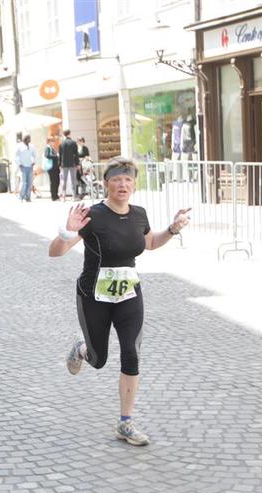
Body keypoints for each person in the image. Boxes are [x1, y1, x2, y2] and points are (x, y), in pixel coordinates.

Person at [48, 157, 191, 447]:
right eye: (116, 179)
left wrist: (173, 229)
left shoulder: (139, 214)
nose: (122, 184)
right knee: (98, 359)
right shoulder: (93, 215)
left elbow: (150, 243)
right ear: (106, 184)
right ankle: (82, 349)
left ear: (134, 185)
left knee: (131, 353)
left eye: (128, 180)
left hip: (128, 295)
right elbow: (56, 252)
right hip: (94, 296)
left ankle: (126, 422)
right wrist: (66, 233)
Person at [59, 129, 79, 202]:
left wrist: (59, 164)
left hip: (64, 164)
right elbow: (76, 154)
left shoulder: (62, 143)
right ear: (69, 134)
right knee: (73, 180)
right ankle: (73, 196)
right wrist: (77, 163)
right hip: (72, 164)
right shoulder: (73, 143)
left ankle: (63, 196)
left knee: (64, 180)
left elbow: (60, 155)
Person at [15, 135, 36, 202]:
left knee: (30, 183)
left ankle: (27, 197)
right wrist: (19, 164)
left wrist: (33, 162)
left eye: (29, 138)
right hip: (23, 167)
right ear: (24, 139)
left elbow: (34, 155)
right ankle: (21, 197)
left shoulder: (32, 146)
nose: (29, 140)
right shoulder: (19, 146)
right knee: (23, 183)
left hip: (30, 167)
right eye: (27, 139)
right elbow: (16, 156)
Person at [44, 135, 60, 201]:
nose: (53, 142)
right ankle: (54, 196)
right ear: (48, 142)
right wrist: (56, 156)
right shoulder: (47, 148)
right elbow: (47, 155)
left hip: (55, 167)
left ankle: (56, 195)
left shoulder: (52, 148)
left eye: (53, 141)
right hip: (51, 168)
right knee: (53, 182)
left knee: (57, 181)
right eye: (52, 141)